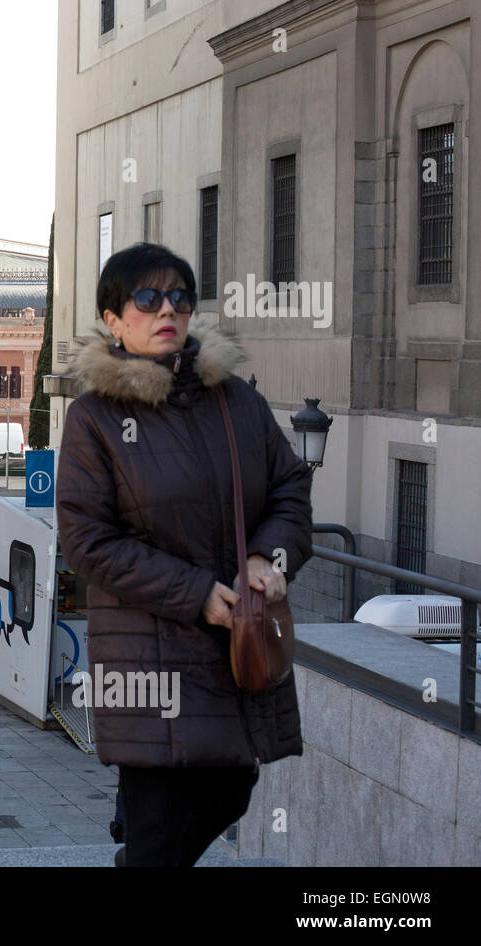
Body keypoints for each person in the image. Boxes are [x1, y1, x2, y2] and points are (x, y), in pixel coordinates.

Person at [55, 242, 311, 868]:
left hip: (235, 647)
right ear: (114, 319)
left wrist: (266, 558)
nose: (166, 308)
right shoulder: (95, 419)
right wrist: (198, 596)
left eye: (179, 296)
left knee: (232, 785)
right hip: (149, 657)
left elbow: (289, 487)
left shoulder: (236, 403)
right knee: (159, 824)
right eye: (146, 298)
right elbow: (88, 541)